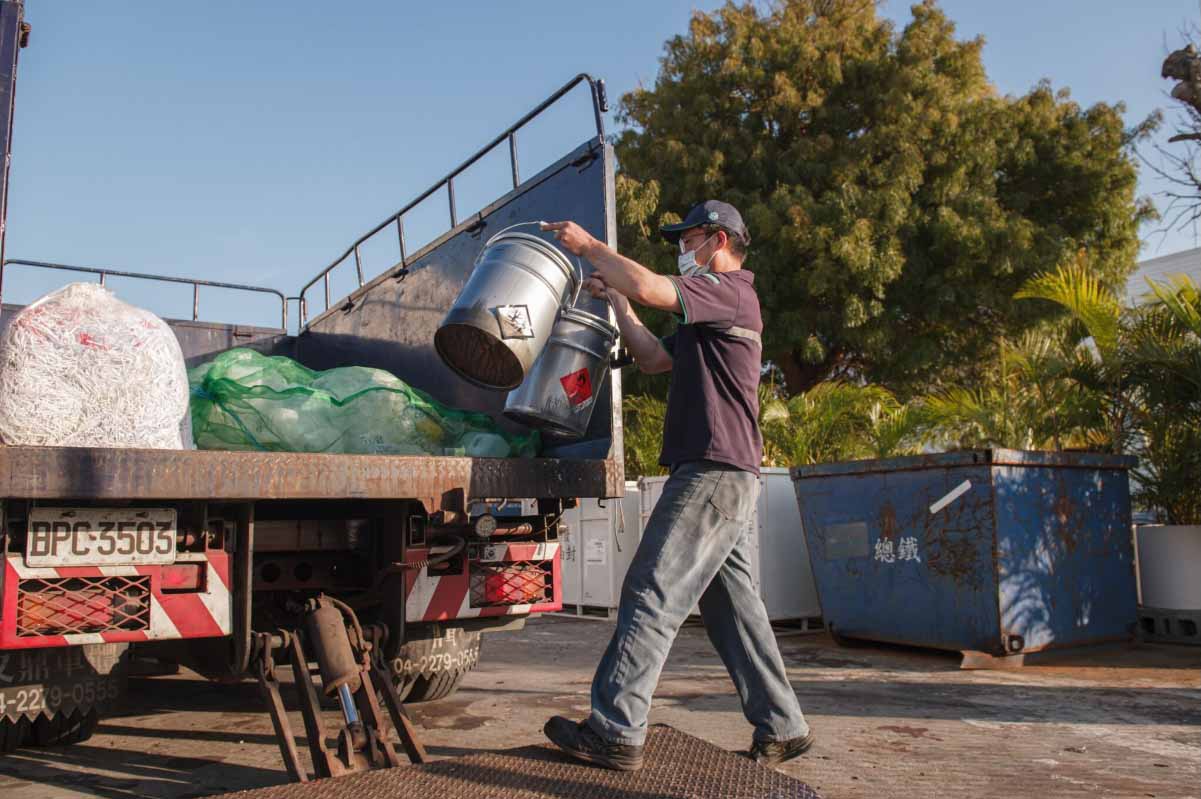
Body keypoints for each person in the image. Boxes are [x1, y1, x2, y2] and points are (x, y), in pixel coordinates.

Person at [539, 201, 814, 771]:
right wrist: (615, 301)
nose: (680, 251)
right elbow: (654, 358)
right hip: (723, 473)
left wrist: (591, 247)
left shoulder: (730, 290)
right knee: (733, 609)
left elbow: (650, 285)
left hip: (714, 470)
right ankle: (783, 725)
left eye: (686, 240)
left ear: (717, 240)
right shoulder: (708, 314)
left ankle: (615, 728)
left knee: (650, 589)